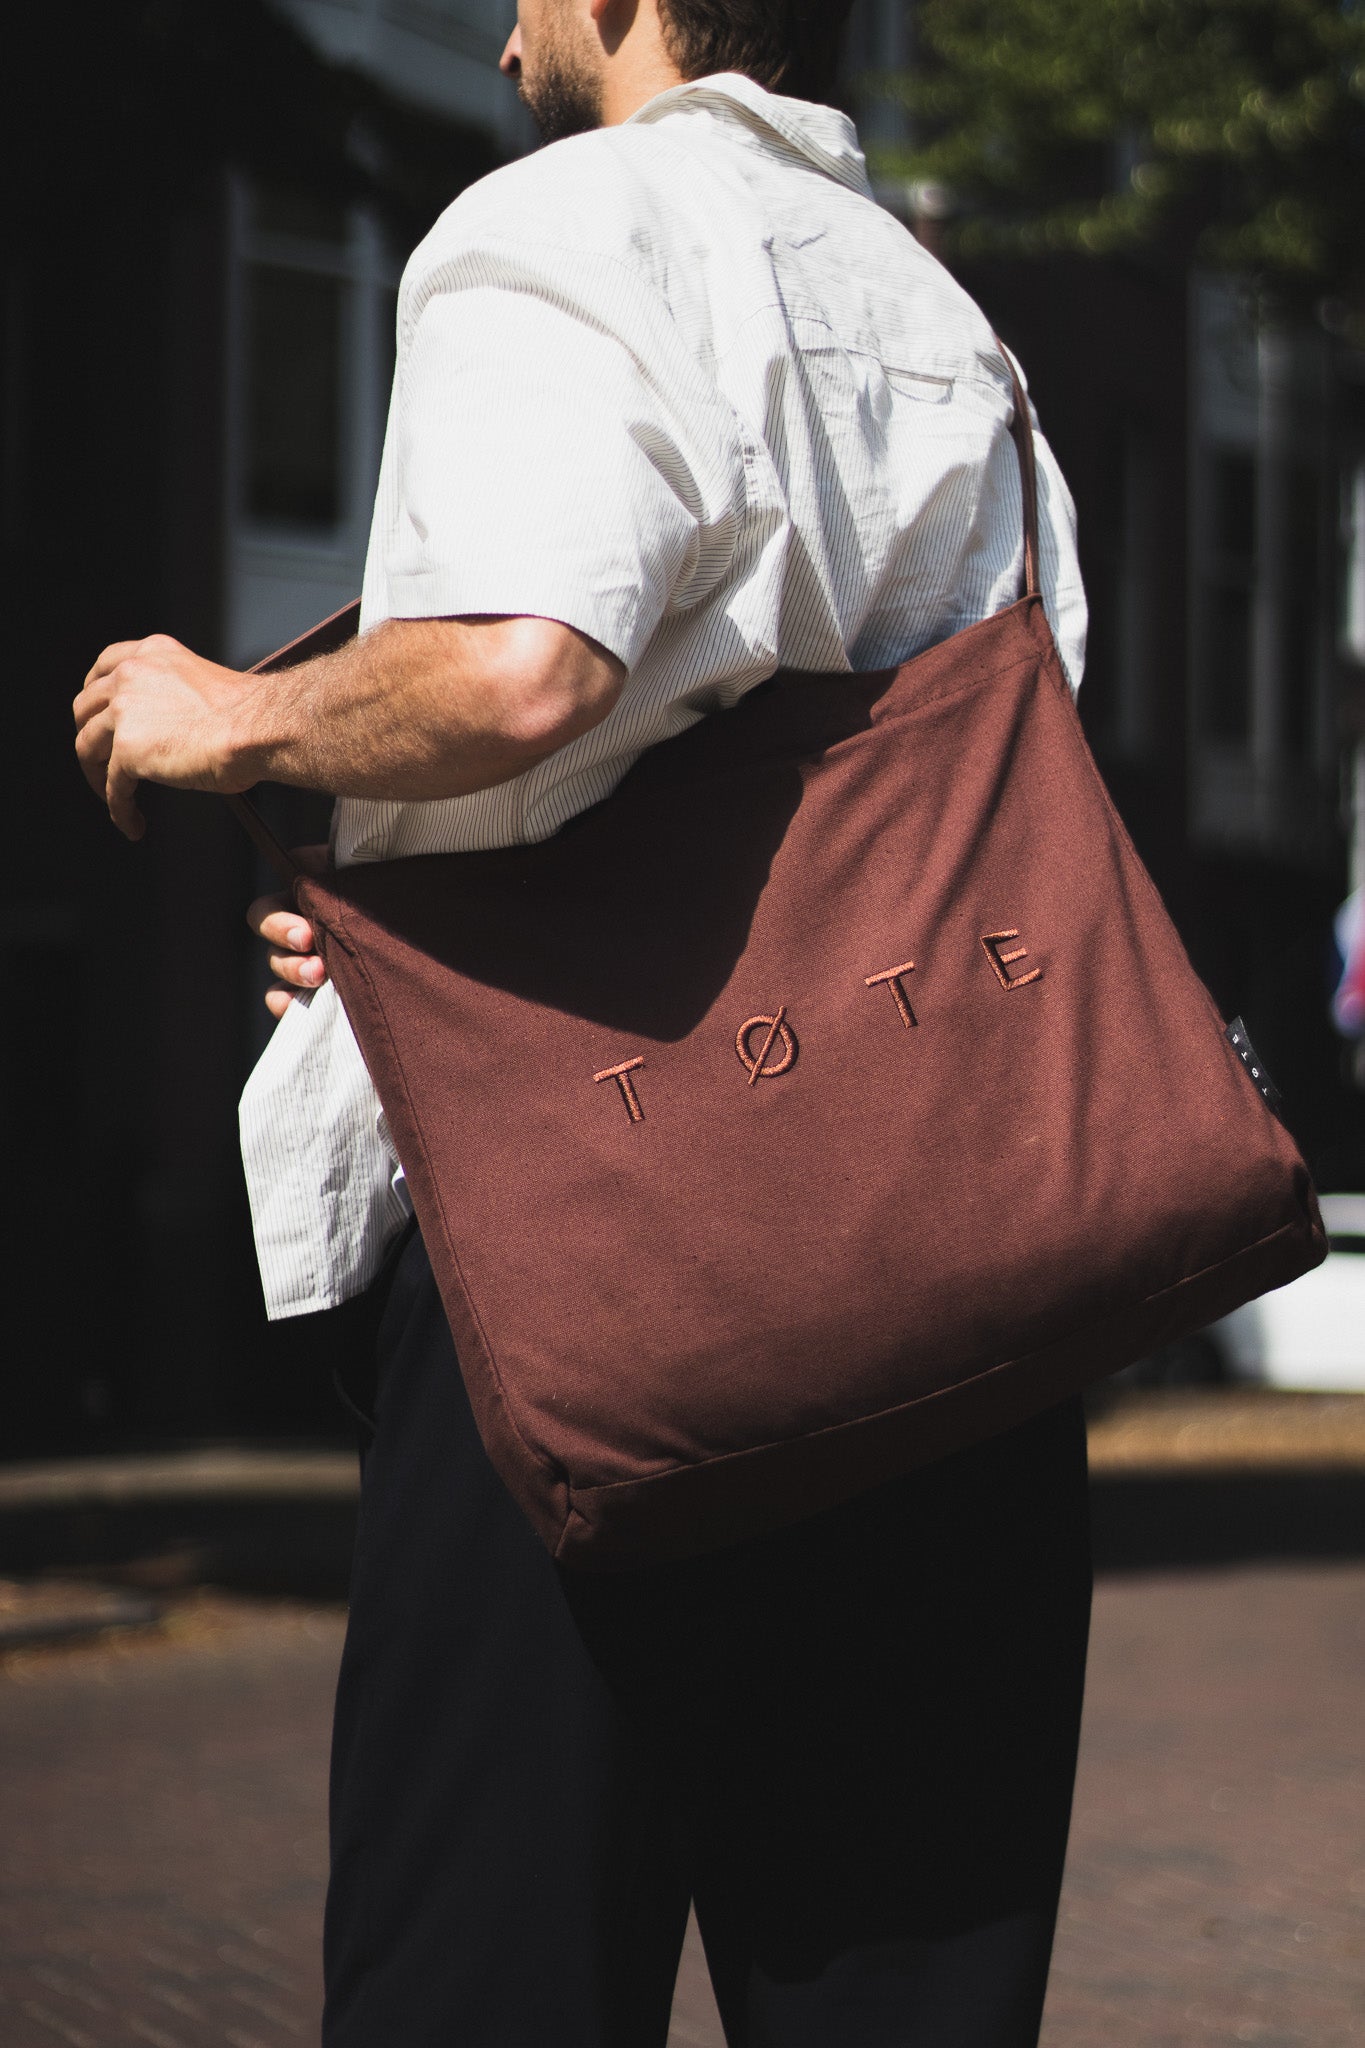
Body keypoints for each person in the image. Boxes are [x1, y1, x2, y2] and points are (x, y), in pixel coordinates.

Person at [74, 2, 1093, 2041]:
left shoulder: (571, 222)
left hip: (596, 1284)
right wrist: (421, 939)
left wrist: (235, 717)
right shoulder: (942, 317)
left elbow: (527, 667)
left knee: (486, 1981)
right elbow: (921, 799)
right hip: (954, 1307)